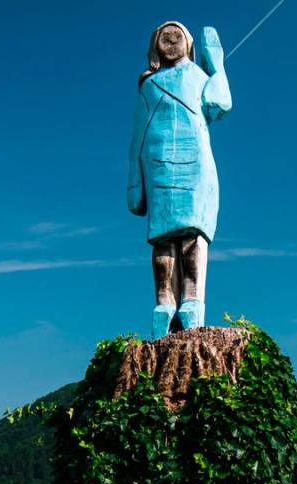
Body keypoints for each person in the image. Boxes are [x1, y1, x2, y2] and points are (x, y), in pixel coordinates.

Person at [127, 21, 231, 340]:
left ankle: (192, 301)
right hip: (156, 162)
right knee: (162, 239)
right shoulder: (148, 85)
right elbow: (138, 136)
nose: (171, 42)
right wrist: (135, 181)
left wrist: (215, 64)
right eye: (165, 37)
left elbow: (220, 103)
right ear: (155, 45)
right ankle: (163, 302)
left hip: (194, 158)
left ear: (187, 43)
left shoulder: (198, 76)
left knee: (191, 235)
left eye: (177, 37)